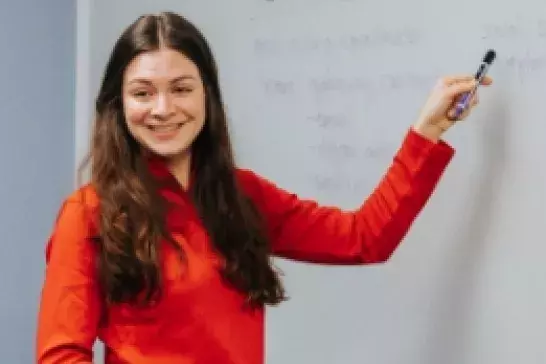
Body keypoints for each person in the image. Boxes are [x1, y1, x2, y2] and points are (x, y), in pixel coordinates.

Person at [35, 11, 492, 364]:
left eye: (180, 89)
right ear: (119, 105)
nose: (162, 108)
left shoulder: (242, 197)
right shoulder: (90, 213)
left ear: (207, 97)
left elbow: (364, 237)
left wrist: (426, 132)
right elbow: (60, 355)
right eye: (142, 92)